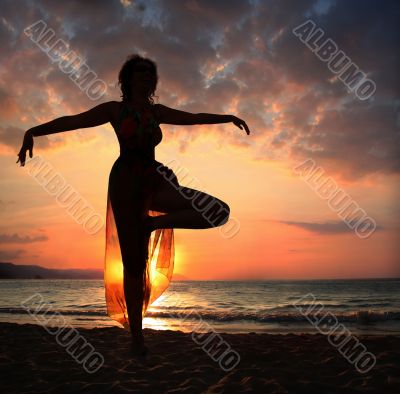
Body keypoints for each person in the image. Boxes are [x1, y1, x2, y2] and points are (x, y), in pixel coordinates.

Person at [16, 54, 251, 357]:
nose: (146, 77)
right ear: (127, 79)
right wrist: (32, 131)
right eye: (139, 73)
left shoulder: (158, 112)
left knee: (218, 210)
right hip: (125, 183)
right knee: (134, 265)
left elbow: (193, 117)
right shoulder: (115, 110)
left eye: (150, 74)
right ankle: (137, 338)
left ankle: (151, 224)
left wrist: (226, 117)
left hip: (153, 179)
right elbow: (74, 121)